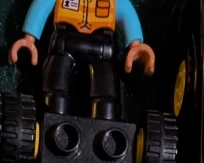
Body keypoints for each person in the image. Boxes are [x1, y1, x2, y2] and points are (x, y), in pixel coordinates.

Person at [8, 0, 153, 119]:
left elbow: (127, 15)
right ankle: (54, 114)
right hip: (64, 42)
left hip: (102, 47)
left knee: (106, 92)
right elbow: (42, 6)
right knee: (56, 87)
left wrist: (136, 46)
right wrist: (29, 39)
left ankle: (106, 120)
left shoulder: (114, 2)